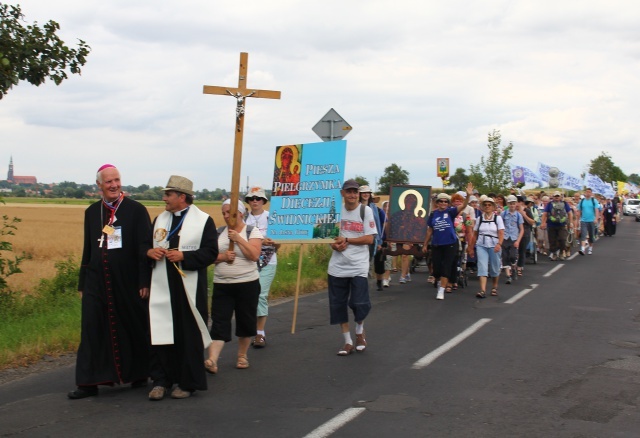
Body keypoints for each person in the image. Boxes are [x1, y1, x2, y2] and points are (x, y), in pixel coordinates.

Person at [68, 164, 153, 400]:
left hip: (128, 280)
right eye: (109, 182)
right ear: (99, 186)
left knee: (133, 324)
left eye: (117, 180)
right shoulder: (91, 212)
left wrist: (144, 280)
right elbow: (88, 250)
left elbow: (144, 247)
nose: (114, 185)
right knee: (92, 328)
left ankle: (139, 373)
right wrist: (82, 284)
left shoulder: (136, 210)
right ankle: (88, 382)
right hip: (96, 282)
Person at [146, 175, 218, 401]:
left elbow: (210, 253)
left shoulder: (203, 220)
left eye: (168, 194)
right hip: (162, 284)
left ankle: (188, 383)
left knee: (188, 335)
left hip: (188, 288)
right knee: (162, 332)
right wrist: (150, 252)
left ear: (182, 197)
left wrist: (184, 256)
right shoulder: (160, 219)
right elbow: (146, 246)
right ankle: (161, 381)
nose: (164, 198)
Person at [205, 199, 262, 372]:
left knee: (245, 320)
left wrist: (238, 239)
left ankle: (242, 355)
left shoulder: (252, 231)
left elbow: (254, 255)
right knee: (219, 321)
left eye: (229, 212)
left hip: (247, 283)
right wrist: (222, 257)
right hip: (222, 284)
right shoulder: (218, 232)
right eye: (223, 213)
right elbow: (208, 256)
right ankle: (212, 360)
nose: (226, 216)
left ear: (240, 213)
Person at [328, 179, 377, 356]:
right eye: (349, 191)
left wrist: (347, 240)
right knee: (338, 305)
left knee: (359, 302)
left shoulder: (365, 211)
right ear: (342, 193)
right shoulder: (335, 212)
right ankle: (347, 341)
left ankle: (359, 331)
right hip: (337, 266)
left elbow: (370, 238)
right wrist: (334, 245)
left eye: (355, 192)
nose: (352, 195)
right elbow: (329, 237)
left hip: (358, 265)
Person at [422, 183, 473, 300]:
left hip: (450, 244)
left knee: (446, 267)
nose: (443, 203)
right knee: (437, 269)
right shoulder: (433, 214)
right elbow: (430, 230)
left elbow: (463, 206)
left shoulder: (450, 212)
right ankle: (440, 282)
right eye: (441, 201)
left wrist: (468, 196)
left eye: (446, 201)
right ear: (437, 203)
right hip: (436, 244)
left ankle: (442, 290)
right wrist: (425, 244)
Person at [244, 186, 280, 348]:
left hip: (268, 260)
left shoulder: (271, 217)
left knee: (261, 295)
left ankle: (260, 333)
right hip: (248, 261)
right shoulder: (244, 219)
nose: (255, 201)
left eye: (258, 198)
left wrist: (273, 243)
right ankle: (248, 330)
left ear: (264, 201)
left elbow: (279, 241)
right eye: (252, 199)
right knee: (249, 297)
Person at [469, 197, 505, 298]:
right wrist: (471, 247)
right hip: (481, 244)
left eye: (489, 205)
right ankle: (482, 290)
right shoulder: (480, 219)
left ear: (493, 207)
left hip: (494, 244)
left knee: (495, 267)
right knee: (482, 266)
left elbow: (501, 232)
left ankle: (494, 287)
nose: (487, 207)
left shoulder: (498, 218)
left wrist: (499, 244)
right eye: (485, 205)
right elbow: (475, 234)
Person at [359, 185, 386, 290]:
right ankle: (362, 283)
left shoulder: (374, 208)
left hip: (372, 238)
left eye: (368, 192)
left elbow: (377, 224)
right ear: (360, 194)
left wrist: (379, 241)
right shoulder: (357, 206)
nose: (366, 194)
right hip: (359, 238)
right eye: (363, 192)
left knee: (369, 261)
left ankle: (367, 283)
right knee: (362, 262)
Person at [540, 191, 573, 261]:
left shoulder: (565, 204)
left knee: (562, 239)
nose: (557, 197)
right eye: (555, 196)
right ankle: (554, 253)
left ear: (560, 197)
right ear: (553, 197)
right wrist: (543, 223)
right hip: (551, 224)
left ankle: (561, 252)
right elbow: (545, 214)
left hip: (562, 224)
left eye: (558, 196)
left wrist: (571, 223)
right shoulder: (549, 204)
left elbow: (569, 213)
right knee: (552, 240)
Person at [500, 195, 524, 284]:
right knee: (505, 257)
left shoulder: (518, 215)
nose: (512, 205)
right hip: (505, 238)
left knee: (513, 256)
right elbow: (500, 226)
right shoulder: (503, 214)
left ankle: (513, 267)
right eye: (510, 204)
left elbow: (521, 229)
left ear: (516, 204)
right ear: (507, 204)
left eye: (513, 203)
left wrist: (518, 240)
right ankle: (508, 275)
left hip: (514, 238)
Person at [576, 187, 601, 255]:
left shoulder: (594, 201)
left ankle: (590, 248)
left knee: (591, 235)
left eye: (589, 192)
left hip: (591, 221)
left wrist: (596, 218)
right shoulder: (582, 201)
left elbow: (596, 210)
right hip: (583, 220)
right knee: (583, 234)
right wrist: (578, 221)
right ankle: (583, 249)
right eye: (587, 192)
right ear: (585, 193)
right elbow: (579, 211)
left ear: (591, 193)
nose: (588, 193)